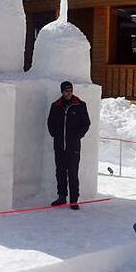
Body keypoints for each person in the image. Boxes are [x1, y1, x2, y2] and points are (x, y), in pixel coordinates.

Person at [47, 81, 91, 210]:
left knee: (73, 173)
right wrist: (55, 135)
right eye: (66, 91)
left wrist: (77, 136)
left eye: (70, 90)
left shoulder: (80, 105)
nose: (69, 93)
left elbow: (86, 123)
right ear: (62, 92)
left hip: (73, 147)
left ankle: (73, 200)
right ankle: (61, 196)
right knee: (60, 172)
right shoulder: (56, 106)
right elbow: (50, 123)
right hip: (60, 146)